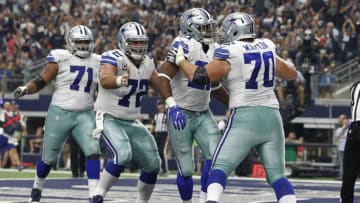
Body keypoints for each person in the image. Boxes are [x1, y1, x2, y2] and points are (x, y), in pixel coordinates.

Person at [174, 12, 297, 203]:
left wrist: (181, 60)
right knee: (278, 176)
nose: (222, 34)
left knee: (219, 168)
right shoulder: (268, 46)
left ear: (234, 30)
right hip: (272, 117)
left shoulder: (231, 50)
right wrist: (288, 63)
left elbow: (200, 76)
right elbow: (291, 74)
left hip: (245, 116)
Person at [13, 25, 101, 203]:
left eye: (86, 42)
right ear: (71, 43)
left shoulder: (98, 60)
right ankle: (37, 188)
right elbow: (41, 80)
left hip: (85, 114)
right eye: (80, 42)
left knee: (93, 151)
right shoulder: (61, 57)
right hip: (59, 113)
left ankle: (94, 194)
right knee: (49, 159)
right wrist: (25, 88)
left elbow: (106, 84)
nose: (84, 45)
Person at [158, 8, 229, 203]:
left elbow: (214, 86)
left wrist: (235, 104)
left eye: (209, 27)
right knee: (186, 169)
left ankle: (205, 199)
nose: (209, 31)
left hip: (203, 112)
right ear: (191, 29)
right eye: (204, 28)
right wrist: (171, 106)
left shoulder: (215, 49)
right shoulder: (184, 45)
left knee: (216, 158)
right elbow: (163, 77)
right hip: (180, 112)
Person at [90, 22, 161, 203]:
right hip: (108, 117)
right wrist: (120, 79)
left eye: (141, 42)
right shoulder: (112, 57)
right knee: (122, 154)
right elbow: (105, 79)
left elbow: (161, 84)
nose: (138, 46)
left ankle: (141, 201)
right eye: (134, 42)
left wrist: (176, 93)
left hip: (131, 120)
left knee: (153, 163)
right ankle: (98, 195)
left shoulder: (148, 62)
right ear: (123, 42)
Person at [340, 81, 360, 202]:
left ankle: (346, 200)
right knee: (348, 169)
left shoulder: (355, 85)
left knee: (349, 170)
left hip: (354, 128)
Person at [151, 99, 169, 176]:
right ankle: (159, 168)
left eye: (161, 104)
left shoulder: (167, 115)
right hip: (157, 134)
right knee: (157, 152)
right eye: (159, 105)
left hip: (164, 134)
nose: (160, 106)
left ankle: (165, 170)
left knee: (162, 151)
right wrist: (152, 134)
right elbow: (153, 125)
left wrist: (169, 136)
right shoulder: (156, 115)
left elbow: (170, 126)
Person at [335, 114, 349, 180]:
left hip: (349, 149)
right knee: (342, 164)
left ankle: (348, 177)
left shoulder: (350, 128)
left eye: (343, 119)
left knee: (349, 164)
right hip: (341, 149)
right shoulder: (339, 129)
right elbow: (337, 136)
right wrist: (343, 127)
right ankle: (342, 176)